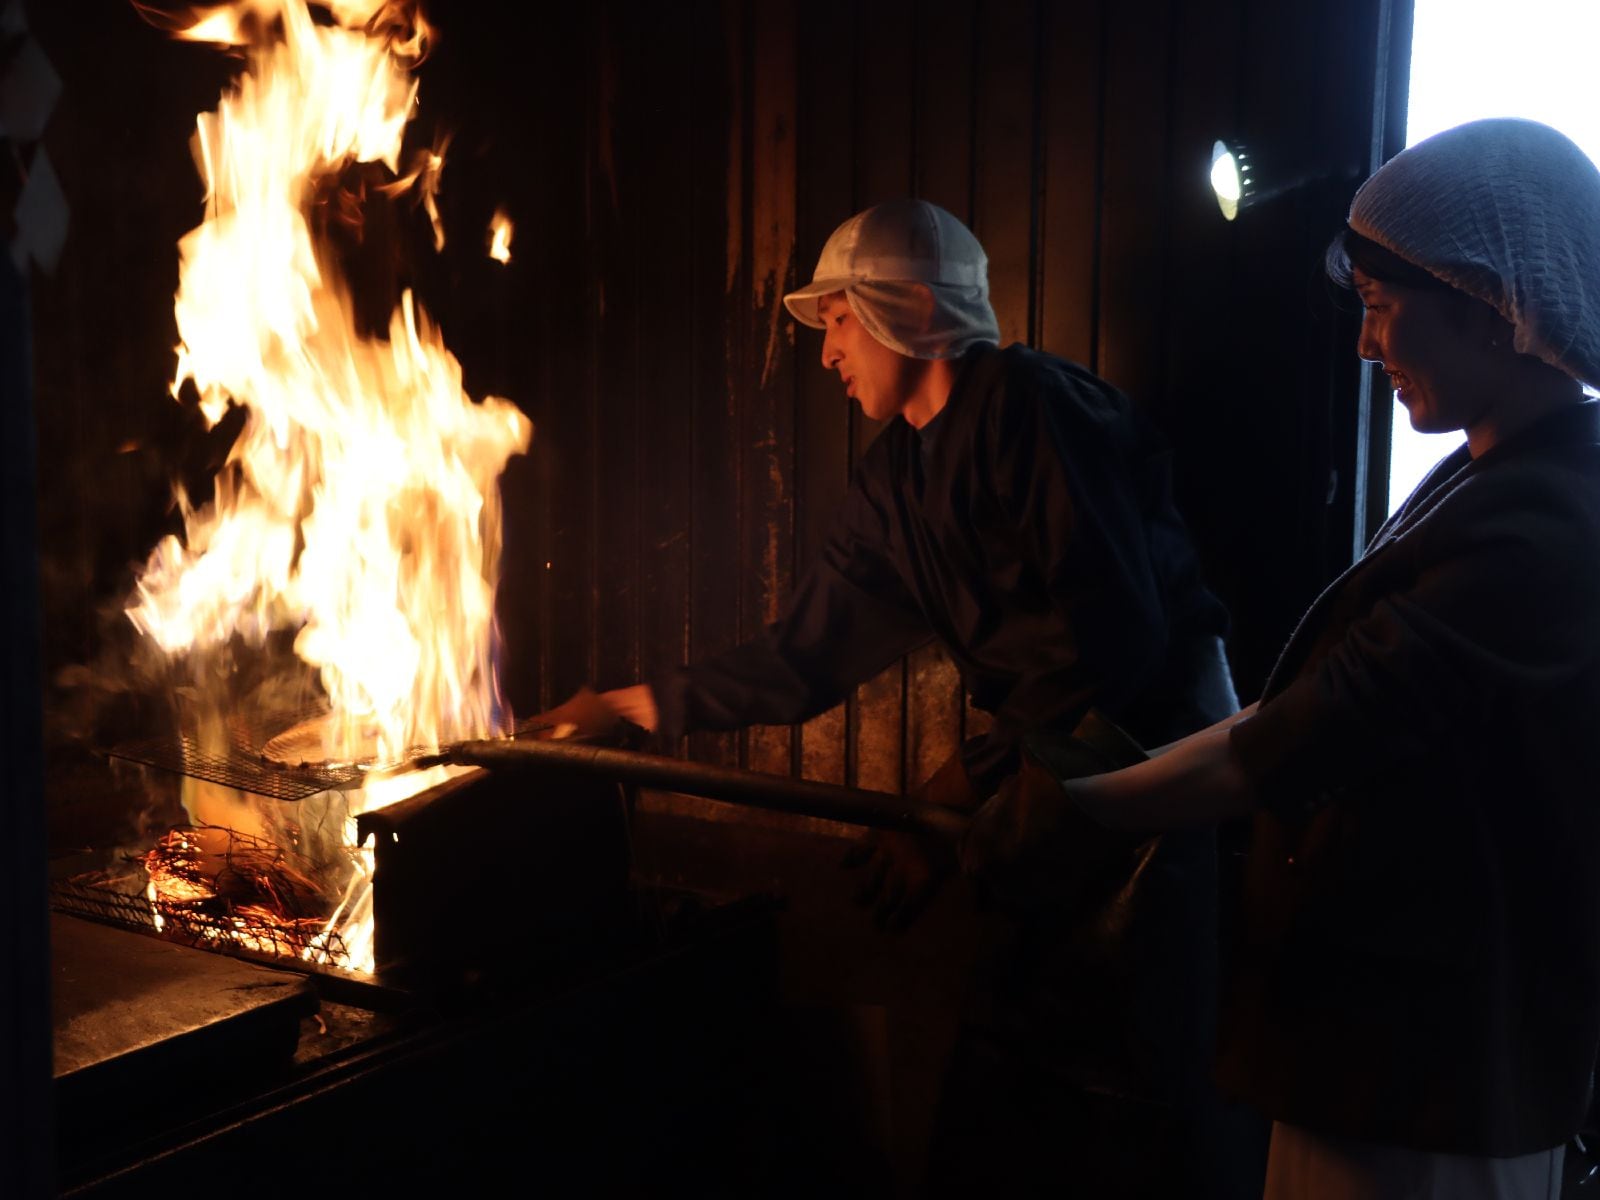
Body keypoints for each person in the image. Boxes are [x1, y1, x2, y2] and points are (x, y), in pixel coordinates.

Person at [559, 197, 1254, 1194]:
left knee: (1136, 1096)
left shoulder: (1032, 405)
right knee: (1016, 1084)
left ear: (910, 309)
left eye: (838, 320)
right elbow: (806, 655)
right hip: (1043, 784)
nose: (825, 352)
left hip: (1154, 775)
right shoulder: (895, 481)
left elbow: (1113, 646)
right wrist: (626, 707)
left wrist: (951, 794)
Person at [966, 117, 1600, 1200]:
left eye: (1379, 306)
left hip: (1431, 1056)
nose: (1364, 346)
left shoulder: (1547, 518)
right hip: (1384, 1035)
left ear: (1494, 304)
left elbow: (1319, 724)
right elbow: (1300, 710)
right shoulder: (1500, 476)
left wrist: (1085, 808)